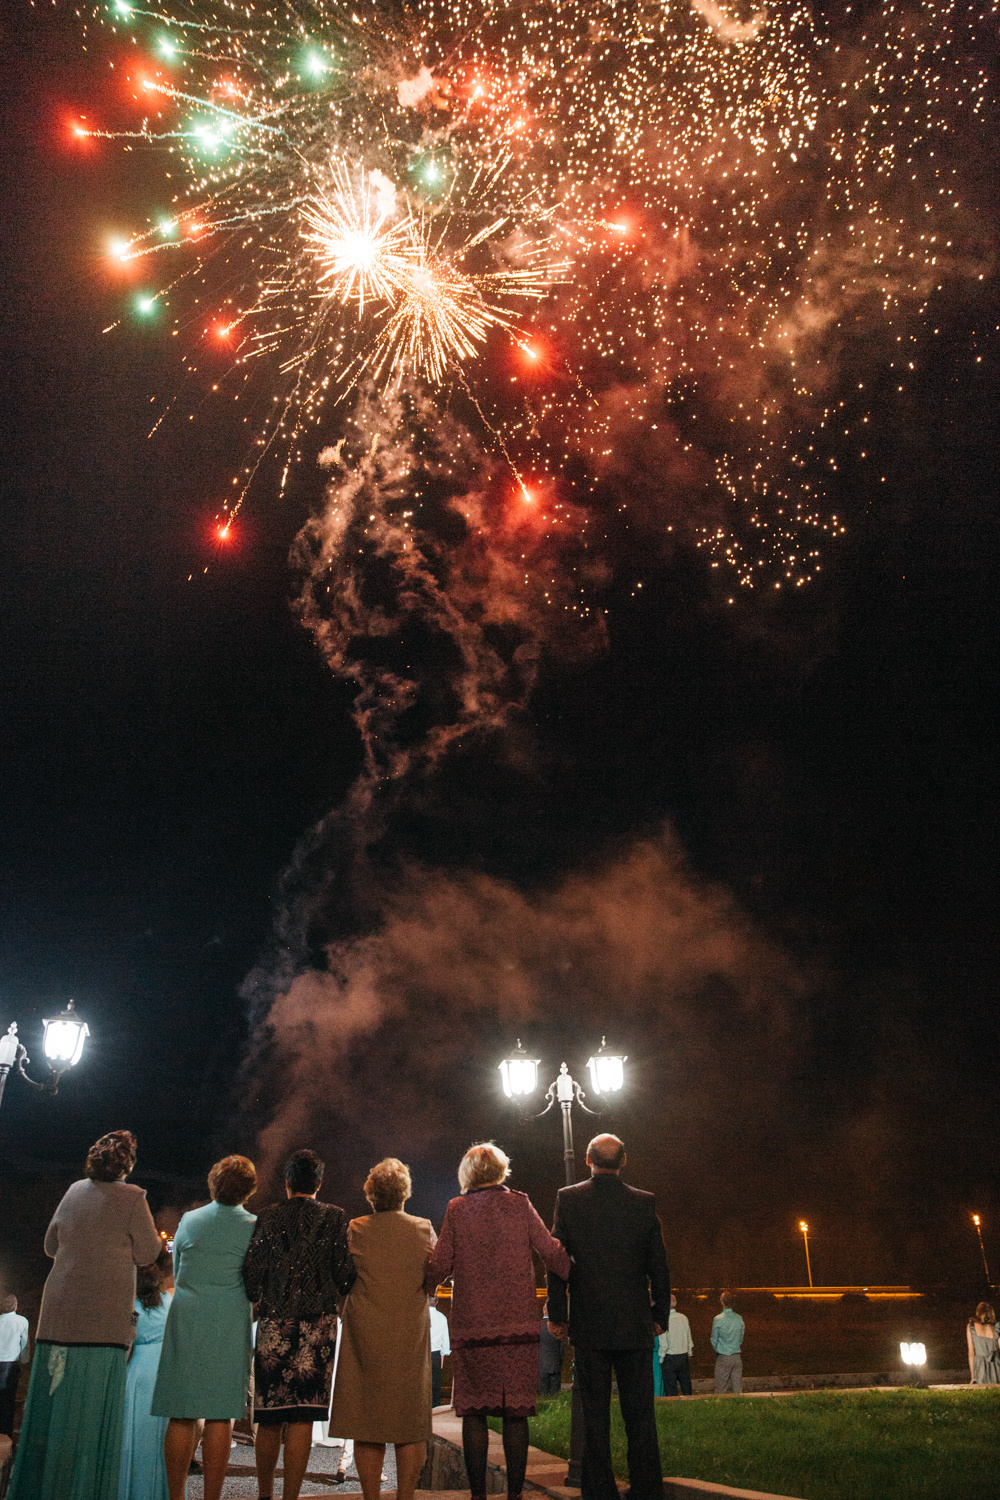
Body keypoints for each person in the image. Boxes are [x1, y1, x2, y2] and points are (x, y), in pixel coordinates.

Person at [7, 1129, 162, 1500]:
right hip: (103, 1322)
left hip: (57, 1313)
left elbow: (50, 1245)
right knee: (91, 1414)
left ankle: (39, 1488)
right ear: (128, 1164)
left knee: (50, 1409)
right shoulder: (133, 1197)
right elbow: (148, 1253)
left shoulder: (74, 1191)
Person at [427, 1143, 570, 1500]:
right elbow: (549, 1250)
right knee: (515, 1413)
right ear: (502, 1170)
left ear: (468, 1173)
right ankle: (515, 1495)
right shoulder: (519, 1203)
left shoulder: (457, 1210)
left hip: (473, 1325)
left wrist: (418, 1285)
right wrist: (582, 1274)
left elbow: (441, 1264)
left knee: (474, 1412)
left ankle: (478, 1496)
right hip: (518, 1325)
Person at [546, 1133, 669, 1500]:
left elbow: (556, 1262)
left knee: (594, 1415)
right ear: (624, 1161)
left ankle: (599, 1491)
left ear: (587, 1159)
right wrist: (659, 1314)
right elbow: (659, 1266)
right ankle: (647, 1489)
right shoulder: (644, 1203)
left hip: (589, 1322)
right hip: (634, 1323)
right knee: (640, 1415)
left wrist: (558, 1313)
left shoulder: (568, 1199)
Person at [242, 1148, 355, 1500]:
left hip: (275, 1324)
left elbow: (252, 1273)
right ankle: (290, 1495)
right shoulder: (335, 1217)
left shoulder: (268, 1217)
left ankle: (264, 1494)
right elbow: (344, 1275)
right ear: (319, 1183)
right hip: (318, 1327)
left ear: (287, 1182)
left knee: (270, 1415)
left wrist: (262, 1294)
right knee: (303, 1416)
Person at [151, 1154, 257, 1500]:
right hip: (229, 1316)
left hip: (188, 1313)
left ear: (214, 1183)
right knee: (220, 1414)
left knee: (182, 1412)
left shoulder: (190, 1220)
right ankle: (212, 1495)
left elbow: (178, 1266)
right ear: (249, 1189)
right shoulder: (253, 1224)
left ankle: (176, 1495)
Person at [329, 1157, 436, 1500]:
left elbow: (342, 1279)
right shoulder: (423, 1228)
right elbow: (435, 1275)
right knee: (410, 1422)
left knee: (366, 1420)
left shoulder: (356, 1228)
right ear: (405, 1193)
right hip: (408, 1330)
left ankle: (371, 1496)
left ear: (371, 1195)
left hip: (366, 1332)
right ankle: (406, 1496)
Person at [119, 1256, 173, 1500]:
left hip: (139, 1370)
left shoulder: (131, 1308)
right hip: (165, 1369)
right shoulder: (169, 1302)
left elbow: (128, 1345)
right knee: (165, 1437)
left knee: (136, 1436)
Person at [0, 1294, 30, 1438]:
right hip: (10, 1364)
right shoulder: (21, 1321)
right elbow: (24, 1344)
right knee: (8, 1399)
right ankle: (6, 1433)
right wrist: (24, 1361)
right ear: (16, 1306)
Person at [659, 1294, 694, 1397]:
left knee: (670, 1390)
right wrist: (689, 1352)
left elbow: (664, 1343)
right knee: (686, 1386)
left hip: (670, 1357)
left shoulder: (664, 1320)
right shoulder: (683, 1318)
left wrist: (661, 1358)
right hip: (683, 1355)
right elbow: (688, 1337)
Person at [711, 1292, 745, 1394]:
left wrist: (718, 1349)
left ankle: (720, 1407)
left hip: (724, 1356)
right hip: (736, 1356)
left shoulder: (718, 1319)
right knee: (737, 1388)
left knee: (720, 1388)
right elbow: (741, 1337)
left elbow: (714, 1339)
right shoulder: (739, 1318)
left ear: (722, 1302)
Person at [967, 1302, 1000, 1385]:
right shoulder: (996, 1328)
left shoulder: (971, 1327)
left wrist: (973, 1376)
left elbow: (971, 1353)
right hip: (996, 1364)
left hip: (980, 1366)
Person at [537, 1301, 564, 1397]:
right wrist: (559, 1363)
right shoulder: (558, 1328)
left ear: (544, 1311)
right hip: (555, 1366)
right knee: (555, 1397)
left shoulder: (537, 1327)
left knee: (543, 1397)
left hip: (541, 1366)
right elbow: (561, 1349)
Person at [429, 1297, 451, 1408]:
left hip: (422, 1352)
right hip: (435, 1353)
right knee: (436, 1382)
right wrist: (444, 1353)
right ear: (437, 1302)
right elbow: (445, 1338)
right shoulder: (442, 1317)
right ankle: (435, 1406)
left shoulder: (420, 1316)